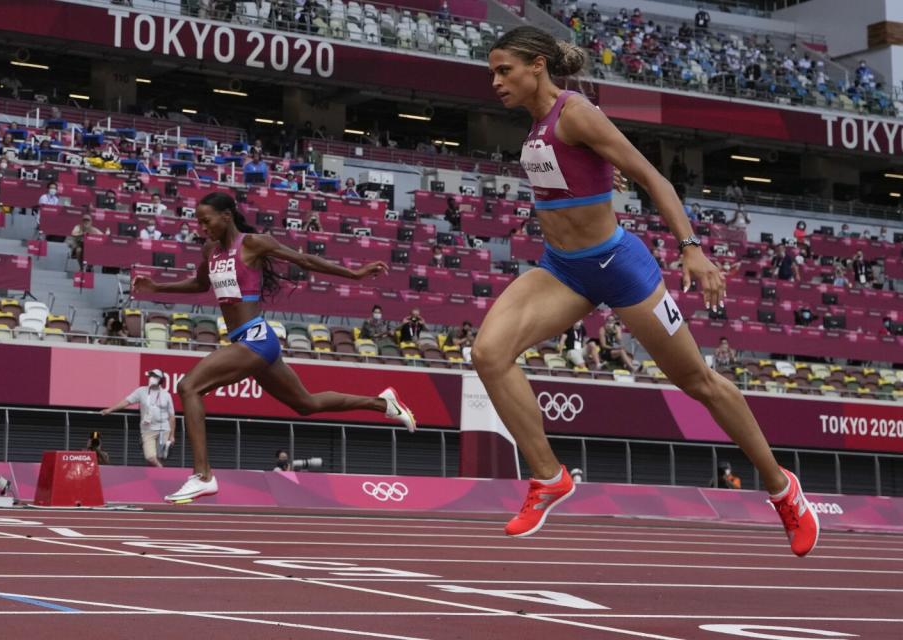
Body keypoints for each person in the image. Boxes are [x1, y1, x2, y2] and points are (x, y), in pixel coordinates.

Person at [475, 27, 817, 556]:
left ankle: (781, 488)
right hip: (562, 269)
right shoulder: (537, 126)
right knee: (488, 353)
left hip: (618, 267)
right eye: (492, 71)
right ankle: (548, 477)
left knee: (699, 382)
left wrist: (691, 248)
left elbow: (652, 177)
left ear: (537, 65)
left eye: (504, 70)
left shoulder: (576, 113)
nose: (495, 81)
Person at [131, 192, 417, 502]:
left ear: (226, 216)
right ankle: (383, 404)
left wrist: (354, 274)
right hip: (245, 342)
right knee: (306, 405)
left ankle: (203, 476)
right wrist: (157, 287)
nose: (201, 227)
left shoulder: (254, 243)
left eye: (206, 220)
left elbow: (304, 260)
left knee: (189, 387)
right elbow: (199, 285)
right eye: (198, 221)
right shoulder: (210, 251)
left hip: (257, 339)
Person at [100, 369, 176, 467]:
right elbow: (126, 402)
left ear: (161, 380)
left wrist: (172, 435)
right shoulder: (141, 391)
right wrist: (110, 409)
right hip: (148, 430)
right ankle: (163, 471)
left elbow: (172, 416)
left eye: (154, 376)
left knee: (160, 456)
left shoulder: (166, 395)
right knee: (150, 457)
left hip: (163, 430)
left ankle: (157, 477)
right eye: (150, 376)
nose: (151, 378)